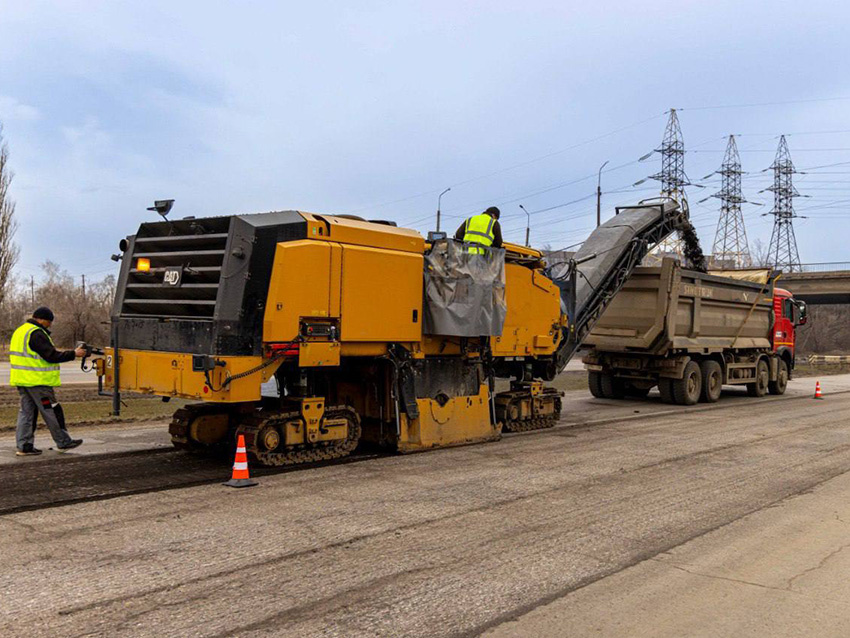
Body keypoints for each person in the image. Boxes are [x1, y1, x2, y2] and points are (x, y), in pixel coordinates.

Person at [10, 307, 86, 456]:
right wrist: (74, 354)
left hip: (23, 382)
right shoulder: (36, 333)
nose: (50, 325)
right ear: (42, 319)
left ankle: (24, 445)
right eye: (49, 321)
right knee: (52, 410)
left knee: (26, 413)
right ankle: (63, 442)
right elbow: (51, 355)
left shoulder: (21, 331)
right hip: (39, 383)